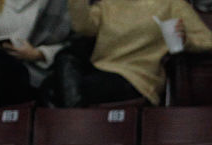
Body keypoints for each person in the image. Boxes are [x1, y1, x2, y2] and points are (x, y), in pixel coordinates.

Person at [52, 0, 212, 106]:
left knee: (61, 92)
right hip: (102, 70)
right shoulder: (109, 4)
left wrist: (185, 40)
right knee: (54, 81)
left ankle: (74, 129)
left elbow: (207, 40)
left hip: (139, 77)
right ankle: (74, 127)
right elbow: (83, 27)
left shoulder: (171, 4)